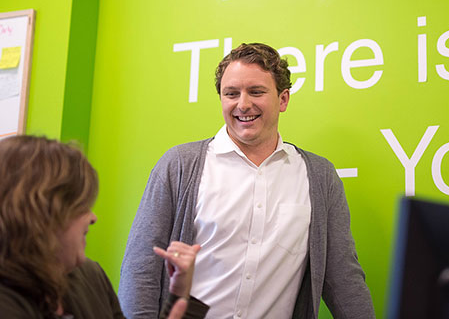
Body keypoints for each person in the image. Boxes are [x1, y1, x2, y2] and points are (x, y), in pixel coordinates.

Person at [119, 43, 375, 318]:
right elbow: (141, 269)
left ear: (283, 99)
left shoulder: (320, 177)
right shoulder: (180, 166)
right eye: (231, 93)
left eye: (256, 92)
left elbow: (343, 278)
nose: (243, 104)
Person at [0, 135, 209, 318]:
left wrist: (179, 296)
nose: (93, 217)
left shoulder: (91, 277)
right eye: (80, 206)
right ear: (39, 213)